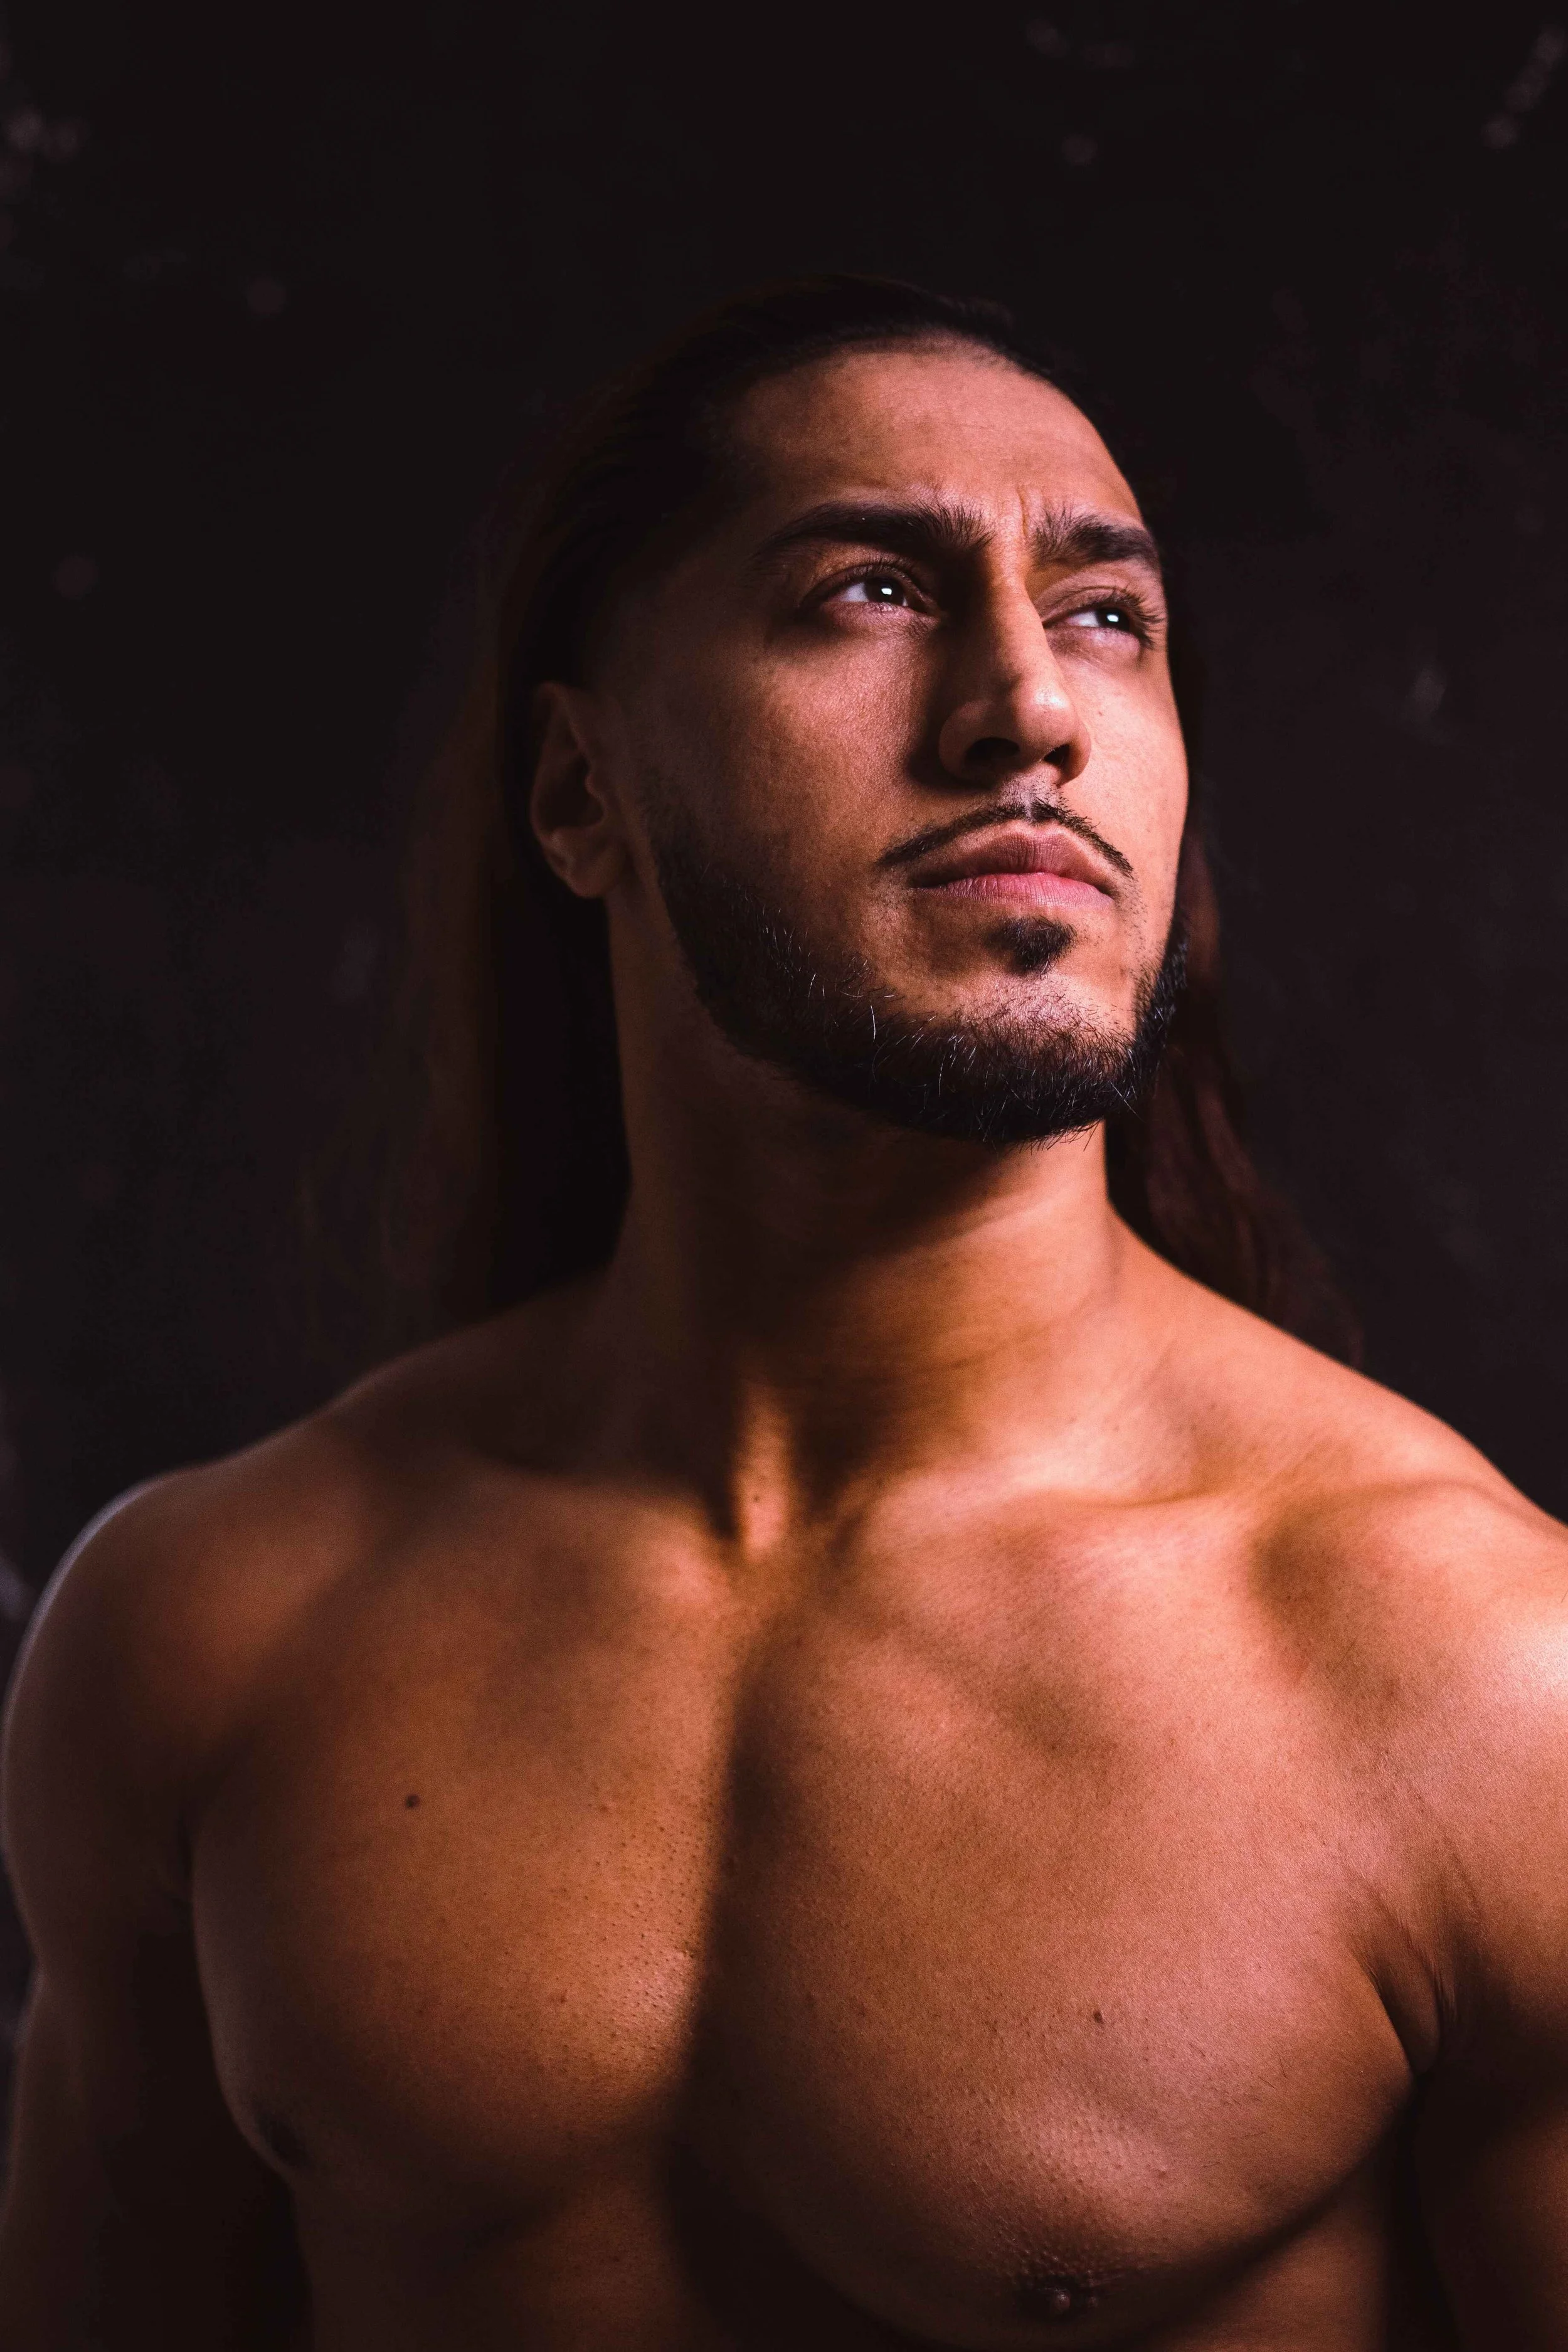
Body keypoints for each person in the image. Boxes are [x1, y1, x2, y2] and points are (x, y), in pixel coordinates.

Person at [2, 276, 1564, 2352]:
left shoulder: (1470, 1679)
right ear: (580, 795)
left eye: (1108, 614)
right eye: (865, 590)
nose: (1030, 706)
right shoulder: (217, 1626)